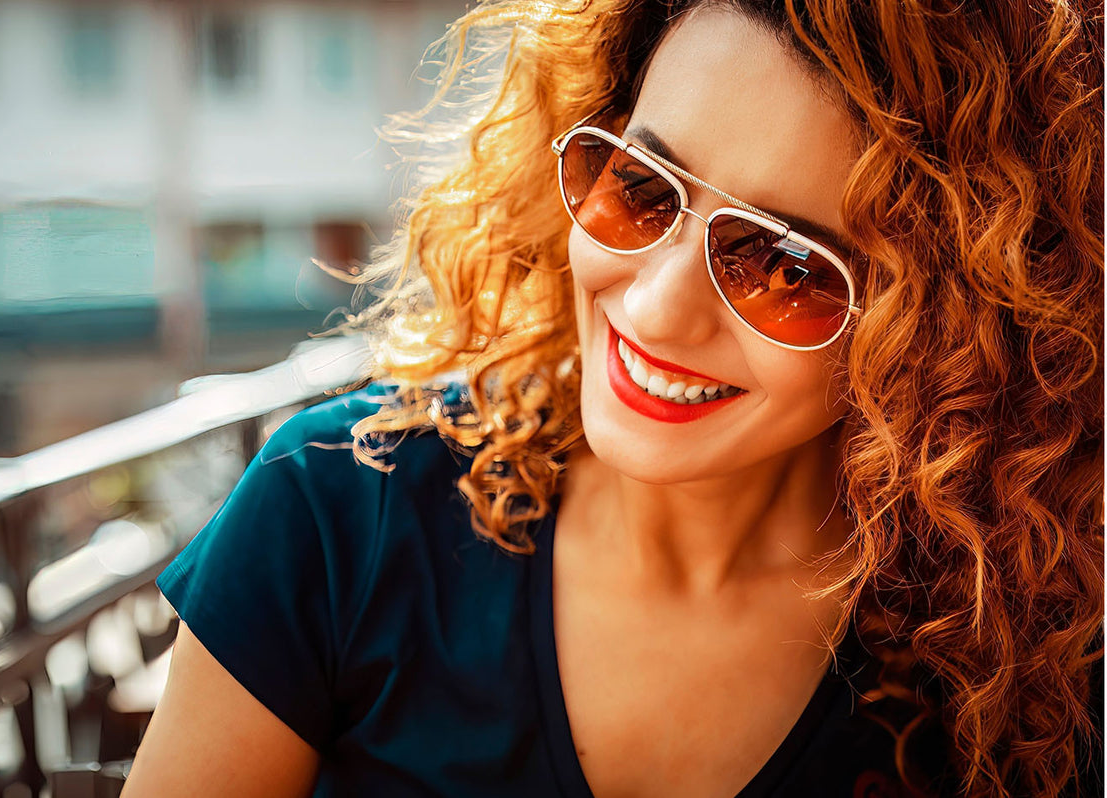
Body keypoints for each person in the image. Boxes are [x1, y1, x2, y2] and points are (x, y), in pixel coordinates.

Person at [121, 0, 1103, 796]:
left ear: (937, 321)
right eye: (641, 187)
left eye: (787, 266)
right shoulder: (334, 510)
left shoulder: (1019, 649)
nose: (656, 308)